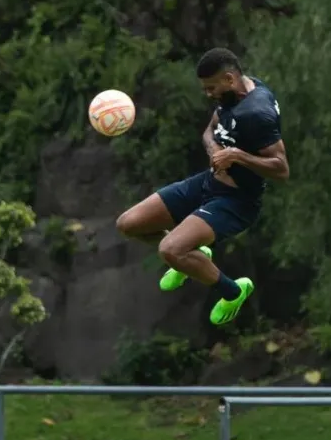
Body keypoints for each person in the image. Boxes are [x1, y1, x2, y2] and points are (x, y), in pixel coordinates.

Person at [116, 47, 289, 325]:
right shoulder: (236, 92)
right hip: (208, 182)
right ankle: (195, 255)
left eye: (211, 88)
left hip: (236, 201)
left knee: (170, 250)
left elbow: (281, 169)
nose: (208, 94)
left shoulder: (257, 113)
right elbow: (209, 131)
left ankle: (233, 291)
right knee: (129, 223)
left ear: (230, 78)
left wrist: (236, 156)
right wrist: (213, 151)